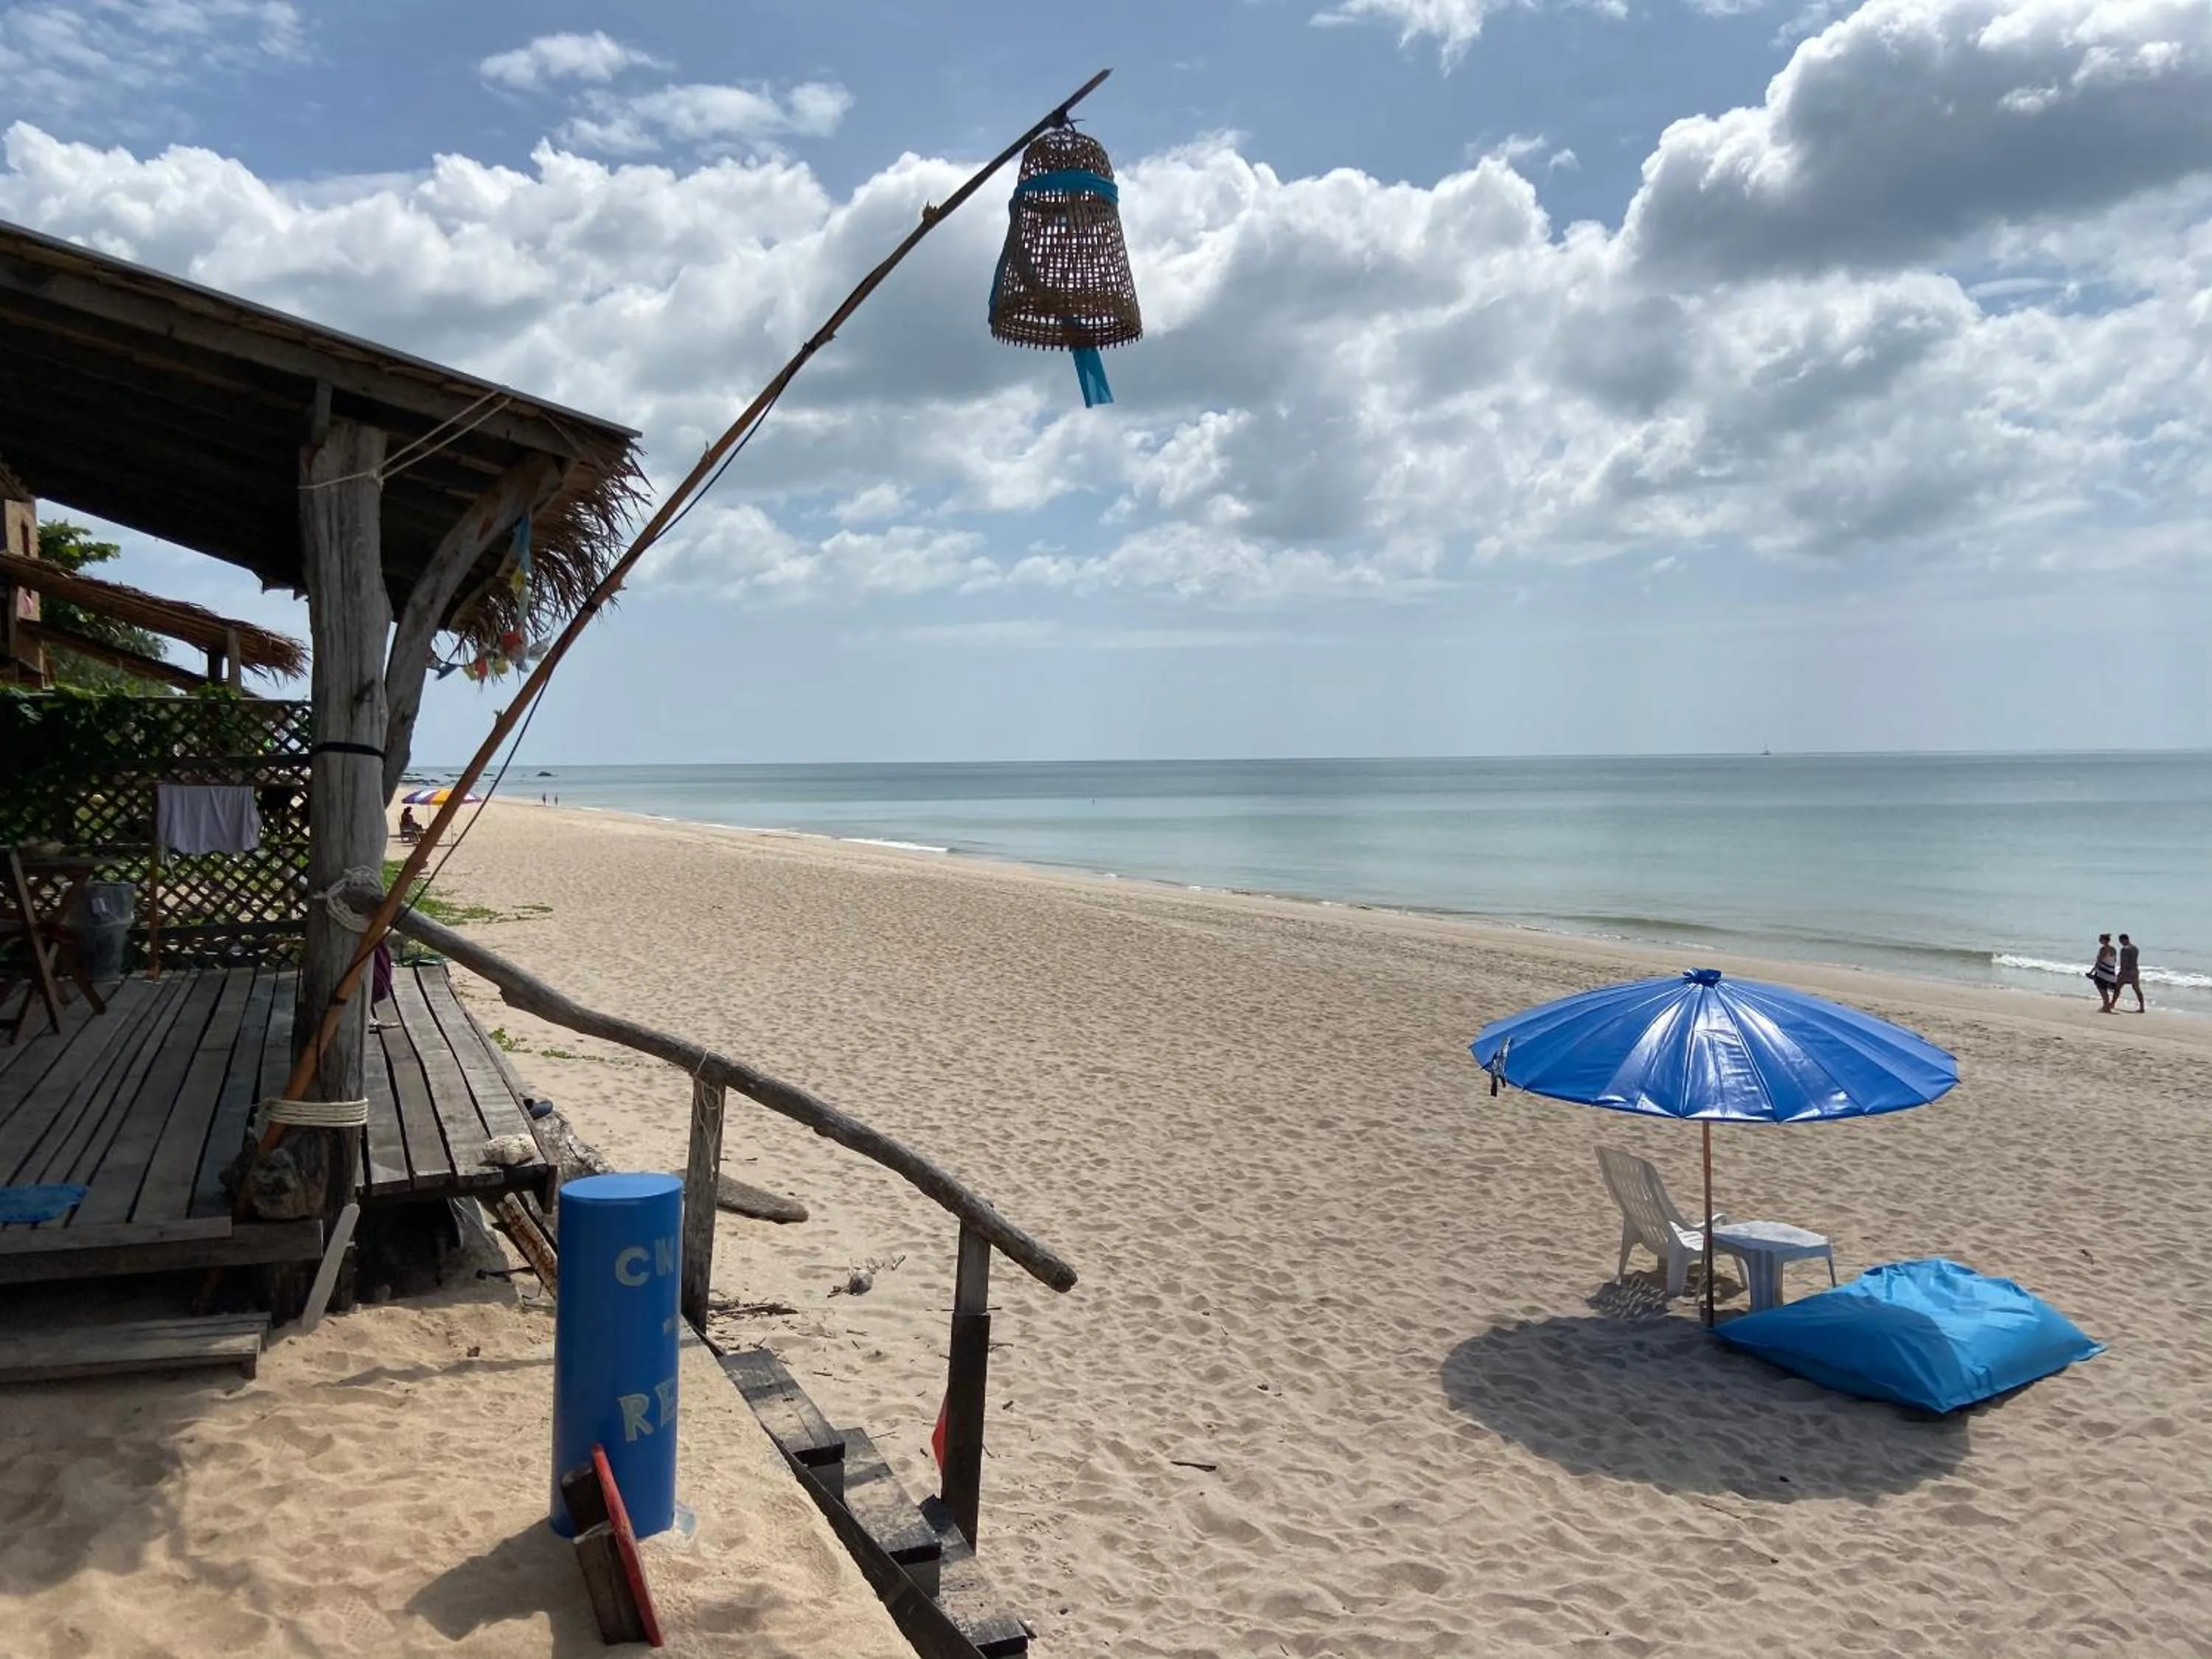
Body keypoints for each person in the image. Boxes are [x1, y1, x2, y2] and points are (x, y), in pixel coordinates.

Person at [2115, 933, 2145, 1013]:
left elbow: (2124, 962)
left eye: (2121, 941)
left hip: (2126, 971)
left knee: (2117, 988)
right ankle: (2142, 1007)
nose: (2121, 943)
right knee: (2137, 989)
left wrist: (2121, 972)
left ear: (2124, 940)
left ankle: (2112, 1004)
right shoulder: (2135, 948)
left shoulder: (2124, 949)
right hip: (2135, 970)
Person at [2089, 933, 2118, 1012]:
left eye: (2101, 939)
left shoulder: (2103, 949)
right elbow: (2114, 961)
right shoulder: (2113, 949)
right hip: (2111, 972)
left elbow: (2099, 961)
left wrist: (2092, 971)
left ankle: (2106, 1006)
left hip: (2103, 972)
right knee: (2105, 989)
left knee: (2102, 989)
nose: (2099, 940)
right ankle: (2106, 1006)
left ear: (2104, 940)